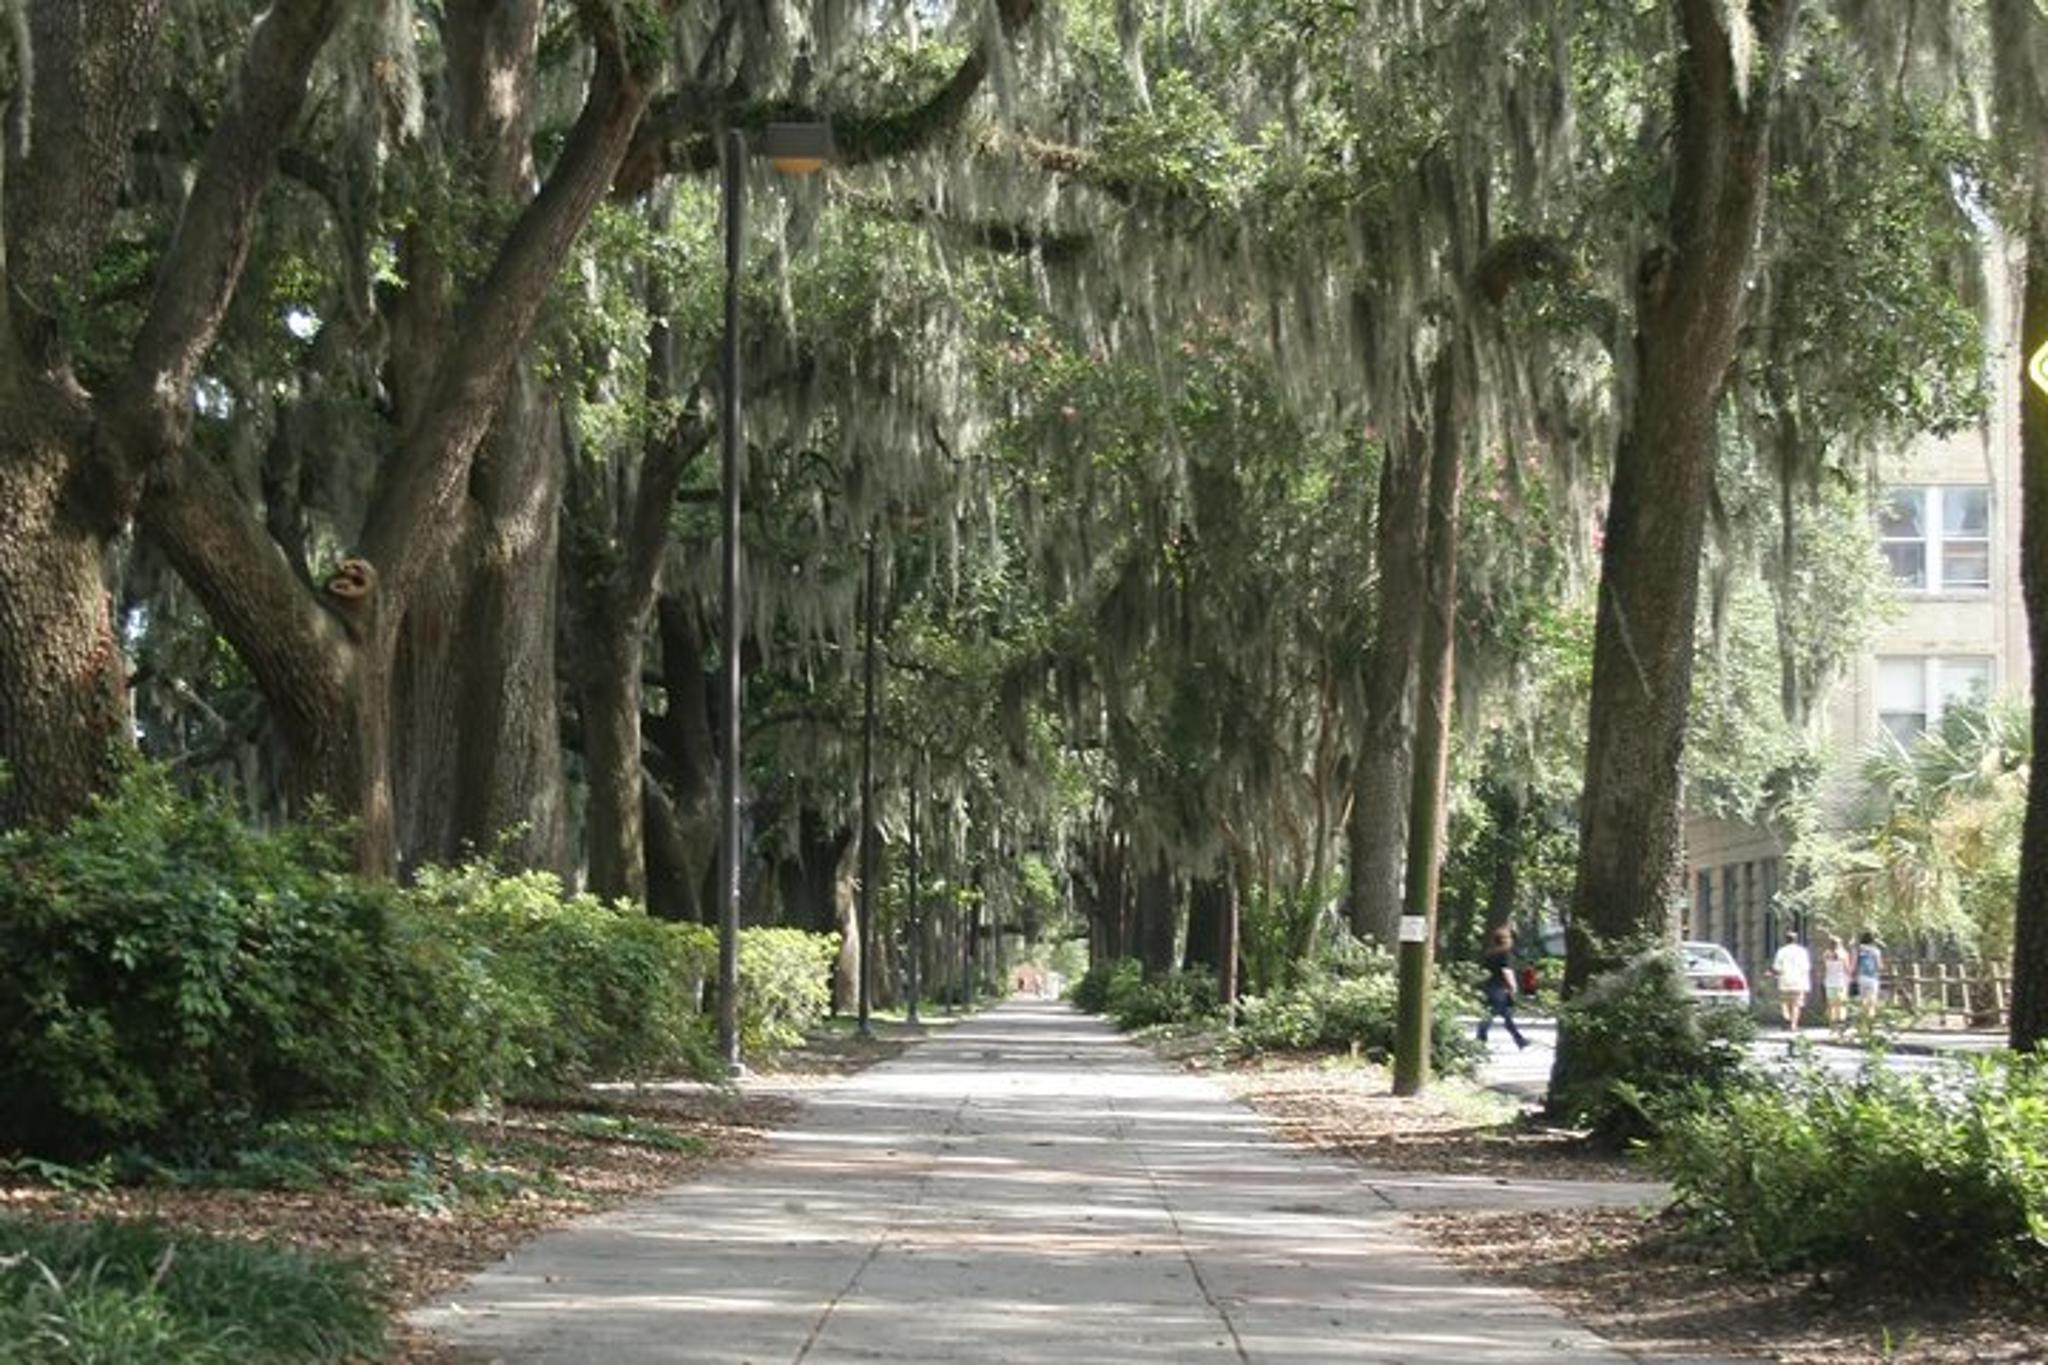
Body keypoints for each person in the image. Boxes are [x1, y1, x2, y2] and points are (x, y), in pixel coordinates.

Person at [1476, 926, 1527, 1050]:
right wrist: (1513, 986)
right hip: (1500, 988)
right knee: (1492, 1014)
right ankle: (1480, 1040)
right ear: (1506, 940)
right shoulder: (1505, 954)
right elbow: (1506, 971)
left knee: (1503, 1015)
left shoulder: (1489, 954)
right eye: (1509, 938)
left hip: (1489, 986)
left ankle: (1519, 1040)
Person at [1770, 930, 1812, 1038]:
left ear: (1786, 940)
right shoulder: (1802, 951)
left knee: (1785, 1003)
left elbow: (1777, 967)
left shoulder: (1781, 951)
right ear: (1796, 940)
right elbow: (1806, 967)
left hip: (1785, 980)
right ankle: (1794, 1025)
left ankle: (1787, 1018)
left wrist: (1774, 973)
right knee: (1796, 1004)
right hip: (1799, 981)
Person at [1820, 934, 1852, 1028]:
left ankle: (1832, 1022)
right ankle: (1840, 1021)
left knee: (1831, 1003)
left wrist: (1823, 978)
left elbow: (1824, 968)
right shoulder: (1844, 954)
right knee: (1841, 1003)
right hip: (1841, 981)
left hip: (1829, 982)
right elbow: (1847, 969)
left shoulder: (1826, 954)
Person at [1854, 931, 1884, 1023]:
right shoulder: (1875, 951)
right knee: (1872, 1000)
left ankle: (1863, 1021)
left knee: (1863, 1000)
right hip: (1872, 977)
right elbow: (1879, 966)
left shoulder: (1859, 950)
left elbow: (1856, 964)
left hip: (1861, 977)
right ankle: (1870, 1021)